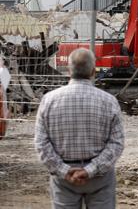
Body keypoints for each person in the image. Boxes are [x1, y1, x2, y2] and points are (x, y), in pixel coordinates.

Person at [35, 48, 124, 209]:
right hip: (100, 178)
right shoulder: (109, 101)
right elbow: (116, 144)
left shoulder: (48, 101)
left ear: (69, 70)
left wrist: (64, 170)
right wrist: (90, 170)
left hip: (64, 179)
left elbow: (41, 143)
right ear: (92, 71)